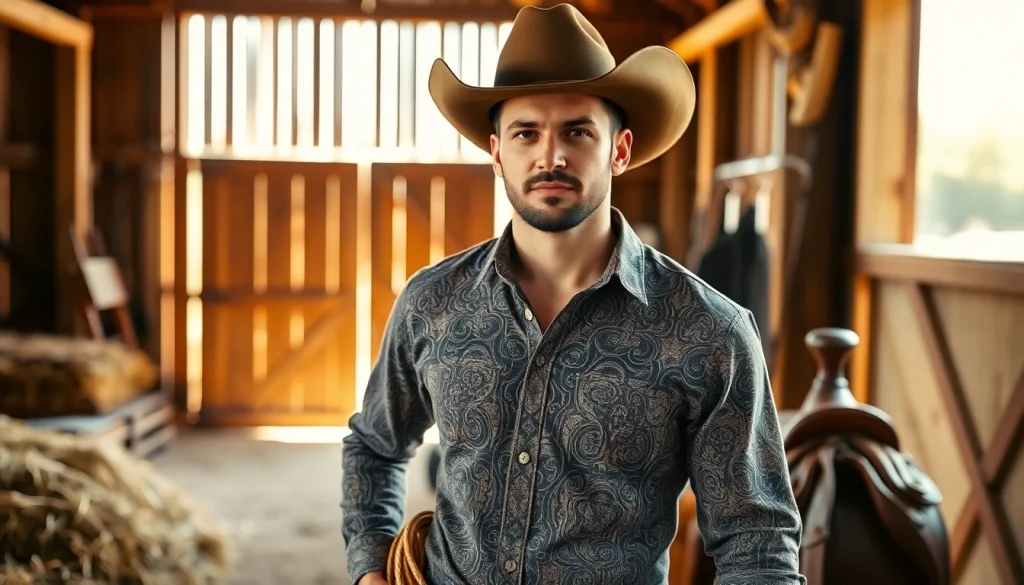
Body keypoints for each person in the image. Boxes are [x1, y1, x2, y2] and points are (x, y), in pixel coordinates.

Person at [341, 4, 805, 585]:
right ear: (496, 152)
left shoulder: (710, 332)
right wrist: (369, 573)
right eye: (526, 132)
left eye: (578, 132)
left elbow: (757, 544)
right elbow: (373, 448)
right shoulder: (432, 303)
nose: (550, 156)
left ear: (620, 149)